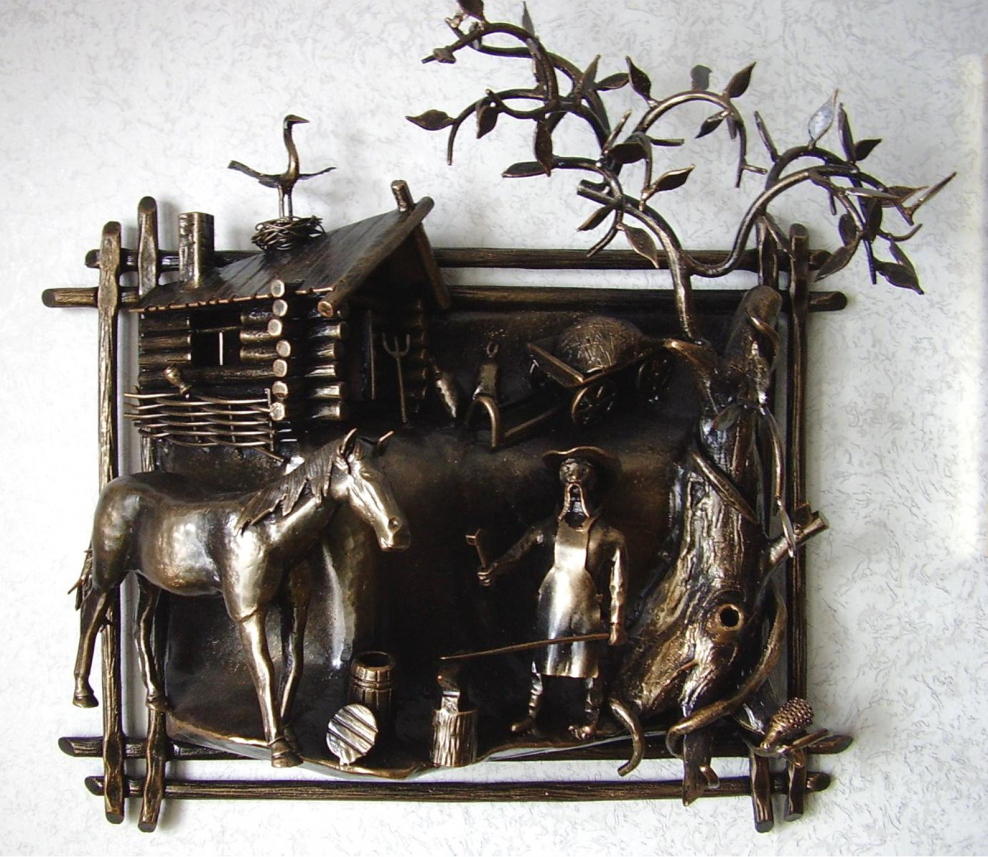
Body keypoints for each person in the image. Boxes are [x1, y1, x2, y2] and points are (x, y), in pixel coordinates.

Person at [478, 447, 627, 739]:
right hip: (553, 607)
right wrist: (494, 569)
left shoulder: (610, 537)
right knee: (542, 662)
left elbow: (618, 584)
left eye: (582, 473)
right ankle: (532, 713)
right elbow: (516, 554)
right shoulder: (546, 529)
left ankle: (591, 718)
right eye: (567, 473)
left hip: (587, 612)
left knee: (590, 668)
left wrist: (616, 624)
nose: (574, 480)